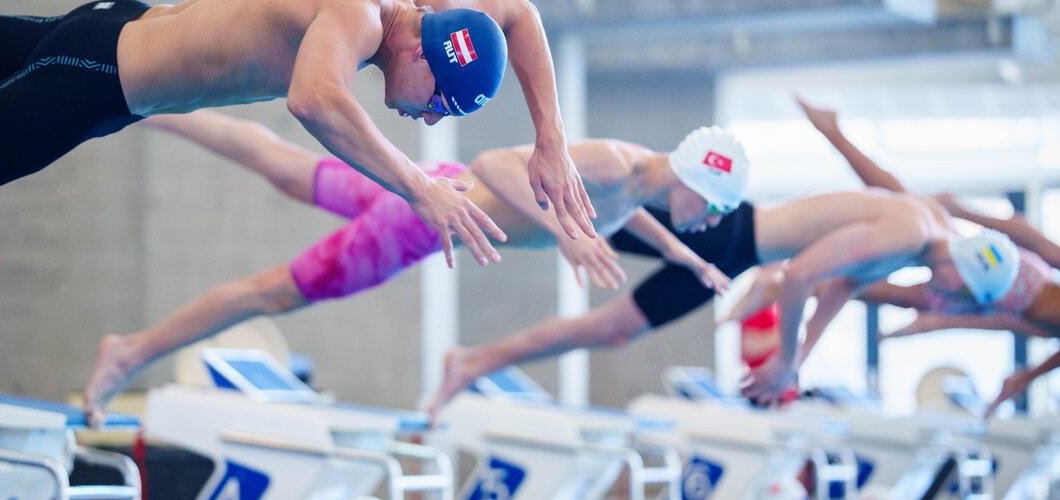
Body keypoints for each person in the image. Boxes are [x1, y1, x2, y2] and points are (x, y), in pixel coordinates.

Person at [0, 0, 543, 346]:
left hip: (105, 35)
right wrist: (418, 185)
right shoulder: (361, 16)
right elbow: (314, 98)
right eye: (439, 102)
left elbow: (519, 13)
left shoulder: (416, 18)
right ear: (425, 51)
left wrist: (552, 143)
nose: (430, 119)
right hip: (91, 80)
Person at [80, 110, 747, 425]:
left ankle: (148, 107)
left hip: (430, 183)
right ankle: (130, 352)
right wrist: (563, 237)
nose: (711, 223)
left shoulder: (637, 177)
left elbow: (619, 212)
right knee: (271, 294)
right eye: (713, 211)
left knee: (287, 168)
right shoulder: (613, 163)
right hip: (416, 224)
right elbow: (495, 164)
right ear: (691, 181)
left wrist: (687, 257)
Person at [425, 187, 1023, 417]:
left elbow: (842, 285)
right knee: (571, 219)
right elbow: (799, 275)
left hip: (731, 252)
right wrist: (785, 357)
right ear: (964, 269)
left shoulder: (923, 233)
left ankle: (473, 362)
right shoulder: (910, 234)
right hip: (724, 233)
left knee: (614, 329)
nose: (947, 299)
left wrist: (798, 360)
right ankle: (458, 192)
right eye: (961, 293)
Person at [796, 96, 1060, 417]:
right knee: (908, 222)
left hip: (995, 288)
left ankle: (798, 275)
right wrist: (964, 211)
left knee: (904, 228)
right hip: (996, 277)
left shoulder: (1035, 318)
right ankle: (831, 134)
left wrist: (1022, 379)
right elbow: (1035, 242)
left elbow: (1002, 317)